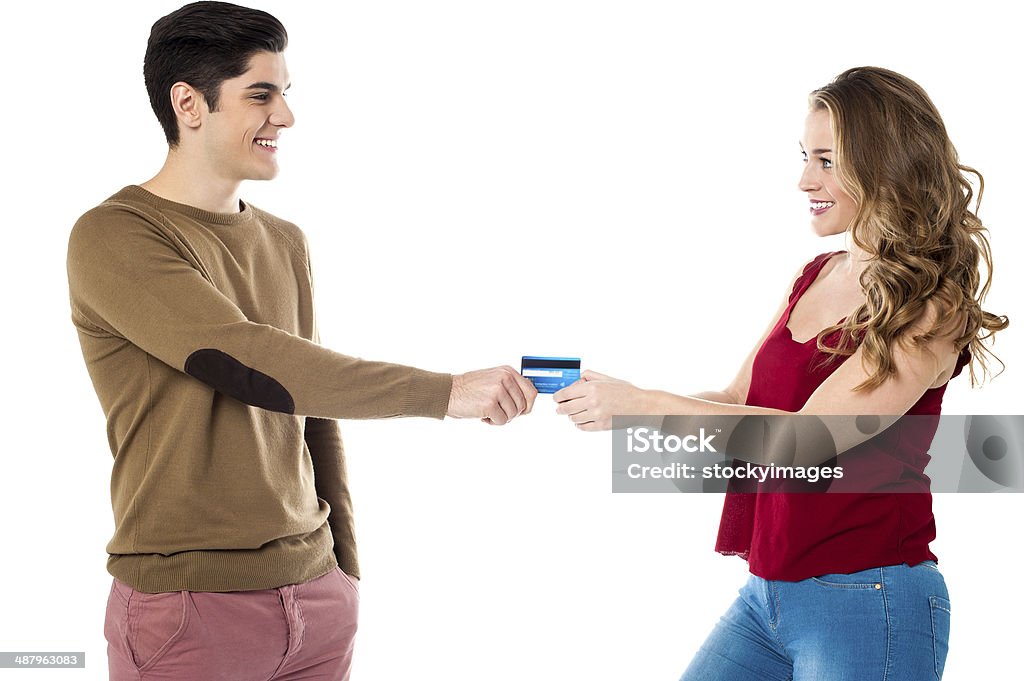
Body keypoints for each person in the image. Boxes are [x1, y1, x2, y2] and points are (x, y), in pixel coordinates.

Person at [66, 3, 537, 679]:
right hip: (191, 608)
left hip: (316, 600)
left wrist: (343, 567)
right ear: (188, 103)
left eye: (284, 94)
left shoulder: (285, 241)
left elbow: (312, 405)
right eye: (261, 94)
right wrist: (445, 392)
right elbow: (247, 358)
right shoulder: (115, 236)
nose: (284, 116)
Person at [553, 66, 1008, 679]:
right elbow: (736, 398)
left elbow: (806, 441)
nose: (803, 180)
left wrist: (641, 403)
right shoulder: (816, 275)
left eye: (825, 160)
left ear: (882, 162)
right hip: (768, 596)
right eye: (805, 157)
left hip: (870, 597)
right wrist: (612, 401)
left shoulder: (929, 302)